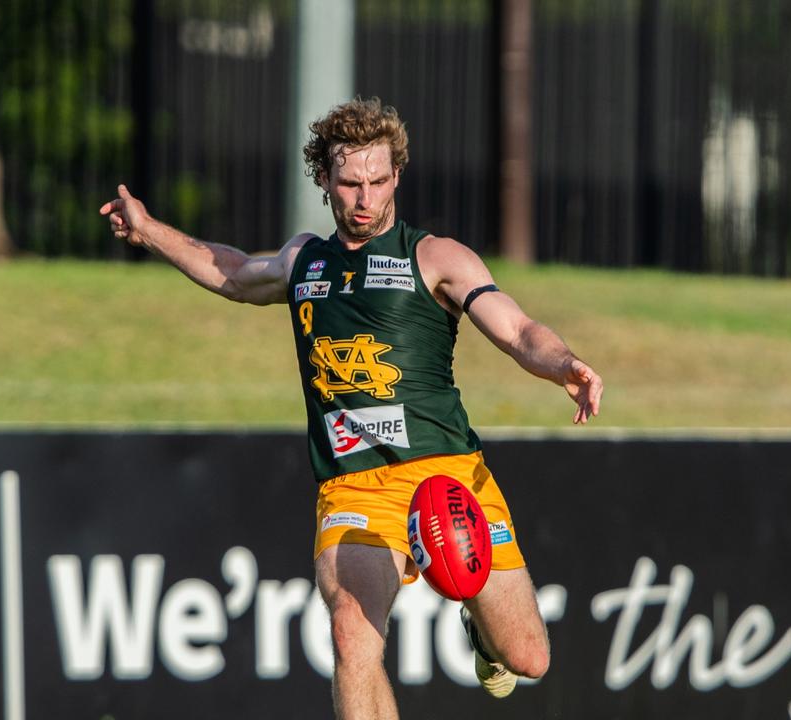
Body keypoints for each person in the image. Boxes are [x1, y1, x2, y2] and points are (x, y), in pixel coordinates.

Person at [101, 97, 603, 719]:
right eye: (349, 182)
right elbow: (231, 270)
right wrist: (148, 230)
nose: (364, 198)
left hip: (447, 474)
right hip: (354, 488)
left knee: (527, 657)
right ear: (324, 180)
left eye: (377, 181)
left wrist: (564, 365)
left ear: (397, 177)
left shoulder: (436, 257)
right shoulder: (304, 259)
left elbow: (519, 330)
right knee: (350, 635)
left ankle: (483, 635)